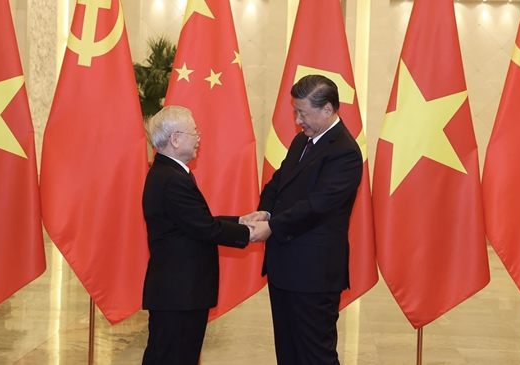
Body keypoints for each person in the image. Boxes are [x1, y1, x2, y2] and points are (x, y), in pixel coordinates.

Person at [244, 75, 363, 365]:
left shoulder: (345, 151)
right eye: (295, 112)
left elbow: (318, 205)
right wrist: (265, 211)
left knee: (315, 354)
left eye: (303, 113)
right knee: (288, 351)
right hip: (285, 267)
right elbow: (278, 183)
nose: (298, 120)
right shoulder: (302, 141)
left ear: (327, 109)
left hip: (314, 274)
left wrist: (272, 227)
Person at [141, 105, 256, 365]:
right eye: (195, 133)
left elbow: (194, 221)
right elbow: (204, 228)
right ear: (175, 138)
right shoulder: (172, 179)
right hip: (180, 294)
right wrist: (249, 233)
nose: (199, 138)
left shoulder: (168, 173)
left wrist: (240, 220)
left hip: (176, 293)